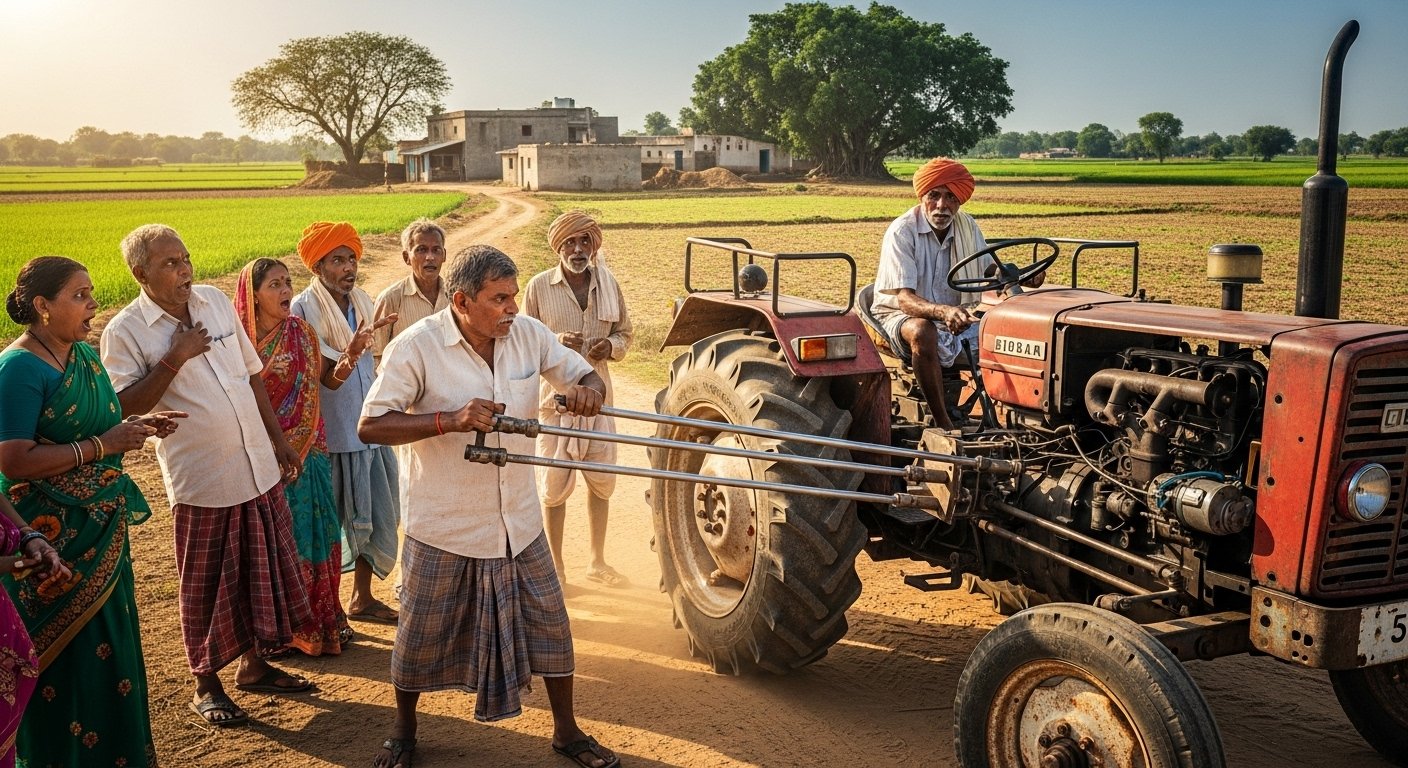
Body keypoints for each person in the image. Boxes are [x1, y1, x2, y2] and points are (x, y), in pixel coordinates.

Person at [359, 245, 620, 768]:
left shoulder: (526, 334)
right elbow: (372, 424)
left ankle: (567, 732)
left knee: (551, 625)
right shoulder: (417, 346)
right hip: (444, 523)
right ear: (461, 301)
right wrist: (450, 420)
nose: (512, 308)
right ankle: (404, 728)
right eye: (499, 299)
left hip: (518, 522)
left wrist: (590, 389)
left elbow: (581, 374)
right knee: (420, 634)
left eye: (514, 295)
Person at [100, 225, 314, 728]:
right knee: (207, 583)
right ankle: (205, 684)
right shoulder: (126, 330)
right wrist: (175, 357)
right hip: (203, 477)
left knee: (259, 570)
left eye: (186, 259)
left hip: (256, 463)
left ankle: (254, 665)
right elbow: (123, 406)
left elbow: (250, 372)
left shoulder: (215, 303)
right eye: (170, 264)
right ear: (141, 273)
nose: (185, 271)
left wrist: (279, 440)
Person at [0, 255, 180, 766]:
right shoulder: (17, 369)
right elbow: (12, 460)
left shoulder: (81, 355)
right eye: (79, 295)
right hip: (49, 543)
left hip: (101, 530)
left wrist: (139, 424)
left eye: (92, 292)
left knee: (111, 651)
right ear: (42, 306)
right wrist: (102, 447)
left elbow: (101, 419)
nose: (92, 304)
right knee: (68, 669)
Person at [236, 257, 371, 656]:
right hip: (261, 459)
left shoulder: (302, 333)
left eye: (287, 282)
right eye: (274, 285)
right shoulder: (238, 344)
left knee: (316, 534)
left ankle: (320, 624)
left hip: (309, 455)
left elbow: (327, 382)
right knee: (274, 544)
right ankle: (277, 633)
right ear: (253, 295)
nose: (285, 291)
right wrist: (276, 445)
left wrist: (352, 353)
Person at [870, 156, 1042, 429]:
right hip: (898, 313)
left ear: (959, 201)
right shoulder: (902, 231)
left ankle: (1009, 417)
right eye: (934, 195)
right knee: (922, 332)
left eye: (950, 197)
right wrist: (944, 311)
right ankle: (944, 423)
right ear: (923, 196)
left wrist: (1020, 275)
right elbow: (904, 299)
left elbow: (986, 268)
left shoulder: (966, 227)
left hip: (952, 314)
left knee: (1004, 329)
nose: (941, 205)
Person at [289, 222, 401, 625]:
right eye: (338, 260)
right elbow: (323, 376)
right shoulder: (303, 308)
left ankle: (362, 597)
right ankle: (327, 606)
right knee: (332, 524)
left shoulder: (364, 301)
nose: (348, 267)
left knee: (376, 516)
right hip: (333, 433)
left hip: (372, 425)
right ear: (318, 268)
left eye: (351, 258)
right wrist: (351, 352)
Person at [522, 211, 633, 587]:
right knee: (554, 487)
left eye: (585, 241)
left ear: (594, 246)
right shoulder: (538, 287)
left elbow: (626, 335)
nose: (578, 249)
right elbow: (520, 344)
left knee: (601, 480)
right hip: (555, 403)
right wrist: (553, 344)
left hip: (600, 399)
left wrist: (611, 346)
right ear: (558, 247)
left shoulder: (609, 283)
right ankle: (557, 567)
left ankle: (597, 561)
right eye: (570, 242)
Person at [371, 218, 449, 362]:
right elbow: (376, 355)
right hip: (404, 383)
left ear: (444, 255)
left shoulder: (456, 297)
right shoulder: (391, 299)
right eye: (421, 250)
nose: (430, 257)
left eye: (436, 250)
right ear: (407, 257)